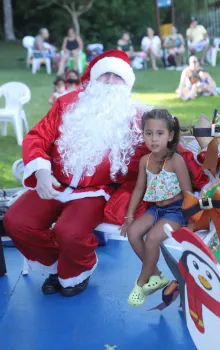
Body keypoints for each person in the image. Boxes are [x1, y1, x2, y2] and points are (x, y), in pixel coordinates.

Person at [3, 50, 151, 297]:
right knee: (16, 222)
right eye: (106, 75)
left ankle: (77, 272)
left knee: (69, 232)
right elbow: (38, 136)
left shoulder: (137, 118)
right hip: (55, 182)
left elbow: (161, 151)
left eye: (118, 77)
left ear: (127, 84)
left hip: (95, 191)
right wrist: (41, 172)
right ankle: (58, 266)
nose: (111, 82)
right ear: (94, 78)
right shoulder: (67, 104)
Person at [120, 109, 192, 307]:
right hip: (156, 209)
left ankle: (140, 282)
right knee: (133, 233)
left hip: (176, 211)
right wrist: (129, 217)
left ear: (169, 136)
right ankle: (157, 275)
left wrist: (169, 202)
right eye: (148, 133)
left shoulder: (176, 161)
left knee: (152, 238)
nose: (153, 139)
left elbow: (188, 194)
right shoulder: (146, 161)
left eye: (159, 134)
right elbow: (139, 188)